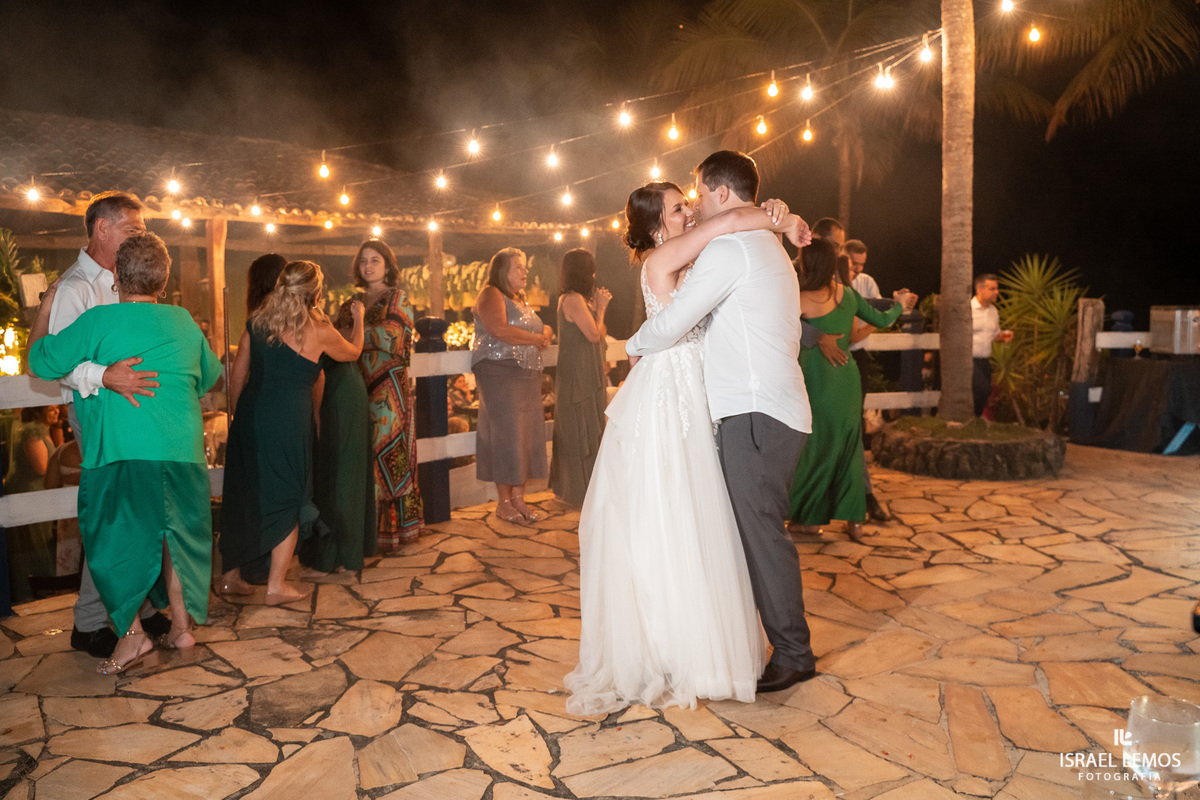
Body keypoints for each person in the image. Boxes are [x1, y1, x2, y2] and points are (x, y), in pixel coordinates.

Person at [566, 167, 811, 715]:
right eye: (678, 209)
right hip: (673, 394)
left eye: (692, 201)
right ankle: (676, 645)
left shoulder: (709, 255)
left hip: (705, 395)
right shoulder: (667, 259)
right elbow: (679, 317)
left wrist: (781, 214)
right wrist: (779, 217)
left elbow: (731, 224)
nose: (691, 211)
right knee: (674, 512)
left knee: (705, 518)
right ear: (657, 229)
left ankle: (724, 644)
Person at [29, 232, 222, 673]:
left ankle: (133, 636)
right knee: (176, 537)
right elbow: (208, 375)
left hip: (121, 450)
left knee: (114, 540)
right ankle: (181, 627)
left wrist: (44, 311)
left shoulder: (99, 321)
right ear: (164, 279)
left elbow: (40, 361)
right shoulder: (184, 322)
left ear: (117, 276)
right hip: (182, 449)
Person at [46, 191, 166, 659]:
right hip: (95, 411)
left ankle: (139, 605)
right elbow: (57, 362)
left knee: (141, 511)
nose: (142, 236)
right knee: (111, 515)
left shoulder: (129, 279)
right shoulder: (76, 287)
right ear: (102, 229)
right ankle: (92, 621)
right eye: (133, 229)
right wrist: (106, 376)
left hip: (132, 410)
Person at [219, 260, 364, 605]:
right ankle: (275, 585)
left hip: (252, 415)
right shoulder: (319, 329)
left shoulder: (258, 322)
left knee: (244, 492)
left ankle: (229, 578)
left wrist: (240, 417)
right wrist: (358, 320)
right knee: (289, 495)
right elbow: (353, 352)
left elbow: (237, 377)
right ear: (315, 291)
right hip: (289, 420)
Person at [788, 238, 909, 538]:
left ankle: (810, 519)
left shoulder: (797, 299)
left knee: (816, 449)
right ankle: (855, 521)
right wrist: (901, 306)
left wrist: (813, 336)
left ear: (806, 263)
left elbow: (773, 327)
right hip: (847, 380)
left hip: (815, 383)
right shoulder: (849, 295)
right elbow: (883, 318)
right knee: (850, 450)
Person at [339, 240, 423, 550]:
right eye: (363, 261)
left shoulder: (397, 298)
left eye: (375, 260)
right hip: (358, 385)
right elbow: (337, 337)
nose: (368, 266)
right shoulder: (353, 300)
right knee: (362, 453)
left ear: (387, 264)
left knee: (387, 451)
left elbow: (394, 338)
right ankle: (365, 531)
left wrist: (356, 330)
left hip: (389, 389)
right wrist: (349, 333)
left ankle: (393, 531)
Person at [471, 248, 553, 523]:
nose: (525, 272)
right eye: (518, 267)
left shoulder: (521, 300)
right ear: (502, 270)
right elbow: (499, 329)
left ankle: (519, 498)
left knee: (525, 433)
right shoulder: (490, 294)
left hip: (527, 373)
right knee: (506, 432)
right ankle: (503, 502)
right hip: (499, 370)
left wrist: (545, 334)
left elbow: (540, 329)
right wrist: (536, 339)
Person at [548, 248, 611, 506]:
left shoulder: (580, 301)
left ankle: (591, 488)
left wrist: (597, 309)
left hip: (588, 370)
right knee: (577, 430)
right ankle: (576, 491)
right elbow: (594, 334)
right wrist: (602, 308)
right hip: (577, 375)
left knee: (591, 427)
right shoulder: (572, 299)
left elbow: (599, 331)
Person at [4, 406, 59, 603]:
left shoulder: (47, 431)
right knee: (33, 543)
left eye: (56, 408)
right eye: (50, 409)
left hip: (41, 493)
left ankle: (44, 588)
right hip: (30, 493)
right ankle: (29, 593)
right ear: (37, 412)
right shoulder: (32, 433)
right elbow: (41, 467)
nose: (56, 412)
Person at [972, 273, 1013, 417]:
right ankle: (973, 419)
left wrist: (1002, 336)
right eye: (992, 289)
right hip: (969, 360)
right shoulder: (968, 309)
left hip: (985, 360)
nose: (997, 292)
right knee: (981, 389)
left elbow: (994, 335)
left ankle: (974, 421)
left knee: (986, 391)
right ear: (979, 289)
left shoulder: (993, 312)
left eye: (997, 288)